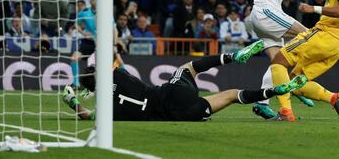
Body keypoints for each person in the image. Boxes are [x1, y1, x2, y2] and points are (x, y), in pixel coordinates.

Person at [62, 40, 308, 121]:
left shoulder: (107, 112)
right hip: (170, 93)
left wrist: (74, 102)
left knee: (232, 95)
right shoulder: (117, 73)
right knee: (188, 67)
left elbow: (88, 115)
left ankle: (275, 91)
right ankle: (234, 56)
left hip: (180, 115)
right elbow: (113, 67)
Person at [229, 0, 315, 119]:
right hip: (263, 12)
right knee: (311, 36)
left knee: (279, 63)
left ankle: (262, 103)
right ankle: (296, 85)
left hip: (272, 14)